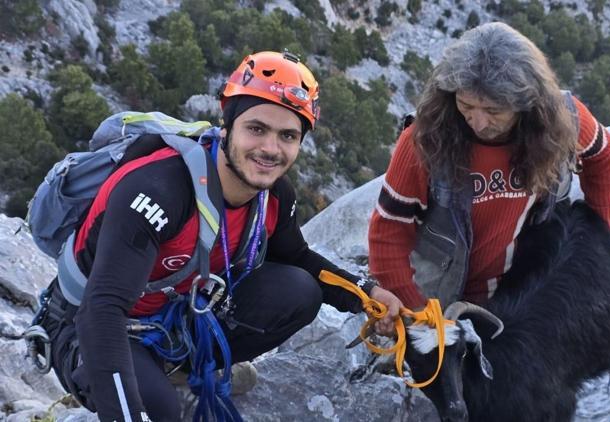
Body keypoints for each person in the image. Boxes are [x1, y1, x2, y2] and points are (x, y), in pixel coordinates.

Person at [42, 50, 402, 421]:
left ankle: (175, 371)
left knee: (300, 290)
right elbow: (101, 311)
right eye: (256, 129)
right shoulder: (160, 190)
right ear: (227, 124)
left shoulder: (272, 197)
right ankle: (153, 384)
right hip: (88, 326)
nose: (270, 149)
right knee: (160, 411)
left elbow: (297, 258)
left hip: (175, 321)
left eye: (288, 135)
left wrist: (367, 294)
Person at [368, 22, 610, 311]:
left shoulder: (563, 118)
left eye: (493, 111)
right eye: (465, 105)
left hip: (524, 291)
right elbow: (389, 230)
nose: (477, 122)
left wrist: (606, 230)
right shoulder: (426, 138)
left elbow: (603, 156)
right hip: (440, 296)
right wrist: (414, 314)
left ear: (527, 103)